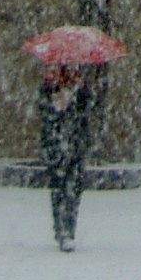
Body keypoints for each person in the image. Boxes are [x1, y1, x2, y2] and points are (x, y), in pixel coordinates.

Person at [37, 62, 104, 252]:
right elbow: (44, 111)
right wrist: (56, 105)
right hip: (56, 144)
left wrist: (75, 102)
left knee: (74, 186)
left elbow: (88, 111)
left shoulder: (82, 88)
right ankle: (60, 228)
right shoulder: (49, 86)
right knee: (58, 185)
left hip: (76, 144)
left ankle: (69, 228)